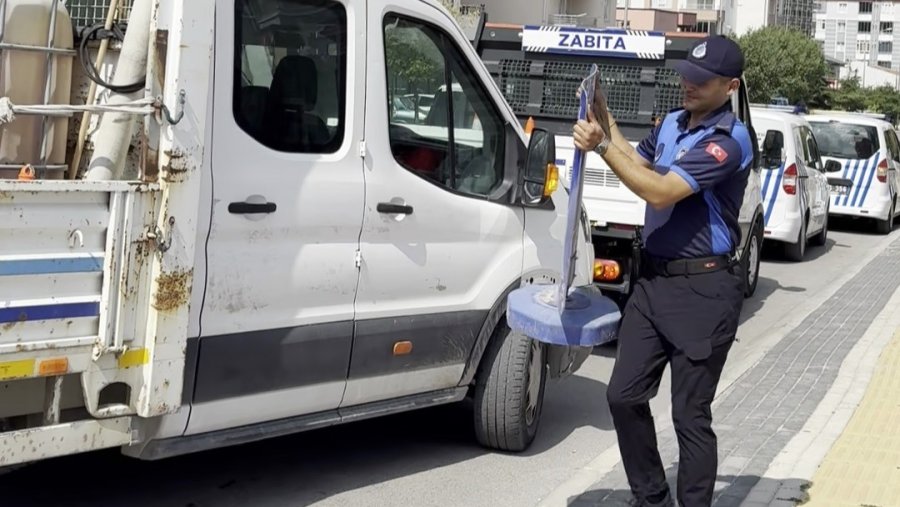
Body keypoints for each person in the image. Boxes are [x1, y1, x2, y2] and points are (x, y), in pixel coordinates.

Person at [572, 35, 754, 507]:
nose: (688, 85)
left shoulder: (728, 140)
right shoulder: (674, 121)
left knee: (689, 415)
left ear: (730, 86)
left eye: (702, 81)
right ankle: (652, 497)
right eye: (686, 76)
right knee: (624, 395)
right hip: (653, 283)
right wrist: (606, 118)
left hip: (704, 291)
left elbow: (659, 191)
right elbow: (638, 162)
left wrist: (600, 145)